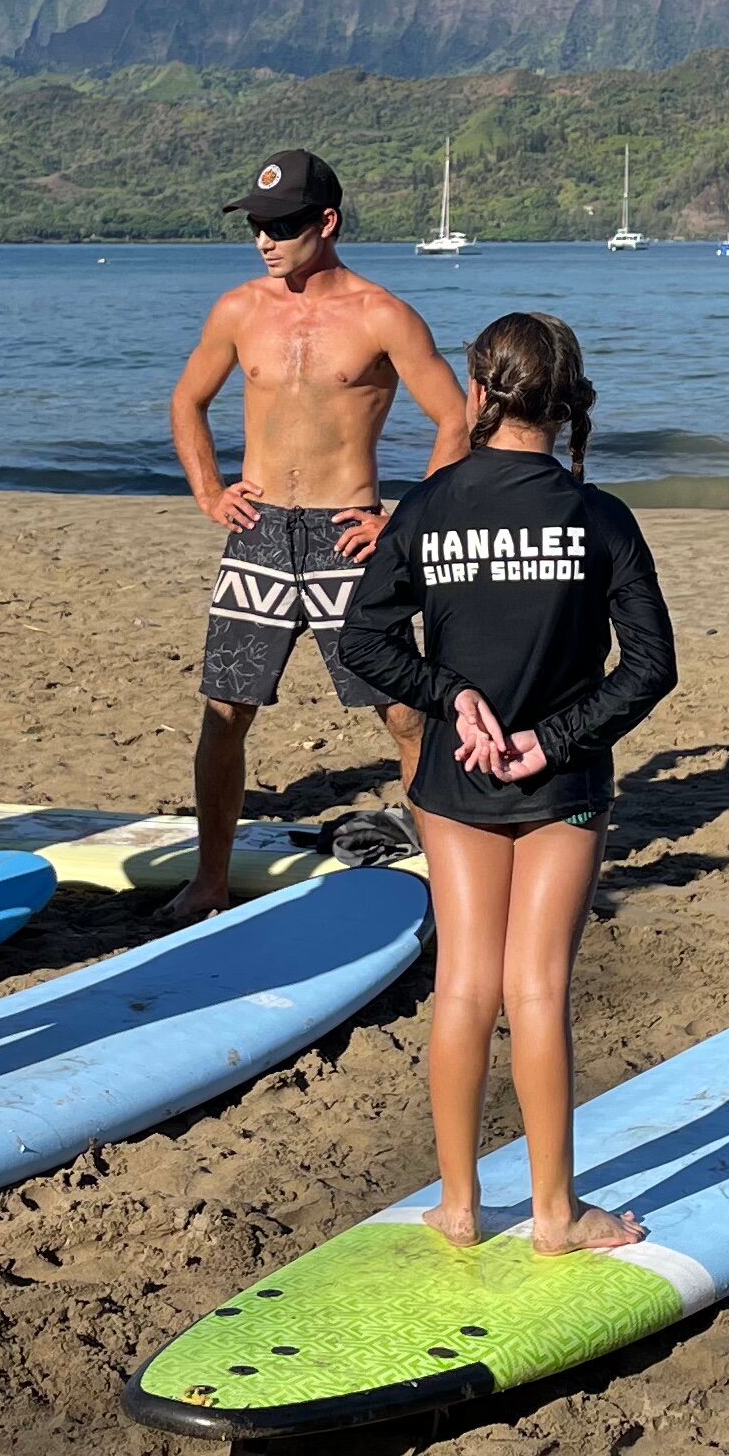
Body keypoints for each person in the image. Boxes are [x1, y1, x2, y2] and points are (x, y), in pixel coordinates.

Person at [335, 312, 676, 1254]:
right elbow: (651, 668)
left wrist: (454, 700)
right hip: (560, 777)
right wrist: (552, 737)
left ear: (479, 395)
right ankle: (556, 1216)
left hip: (455, 776)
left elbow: (366, 643)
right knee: (537, 988)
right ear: (570, 403)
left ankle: (457, 1207)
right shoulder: (598, 517)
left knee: (463, 990)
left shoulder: (430, 504)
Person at [164, 151, 471, 918]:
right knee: (225, 711)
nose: (266, 240)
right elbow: (187, 400)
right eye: (258, 226)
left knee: (403, 713)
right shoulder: (238, 309)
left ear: (326, 223)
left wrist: (406, 516)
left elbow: (456, 417)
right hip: (260, 533)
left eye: (283, 225)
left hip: (347, 538)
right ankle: (208, 879)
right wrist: (209, 491)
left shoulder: (381, 314)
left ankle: (448, 875)